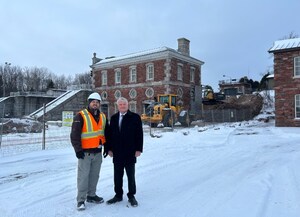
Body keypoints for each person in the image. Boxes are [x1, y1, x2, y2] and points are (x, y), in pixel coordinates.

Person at [70, 92, 109, 211]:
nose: (95, 104)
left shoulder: (103, 116)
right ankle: (81, 200)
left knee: (94, 176)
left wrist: (106, 147)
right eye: (93, 102)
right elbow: (74, 135)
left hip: (97, 152)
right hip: (85, 154)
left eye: (97, 102)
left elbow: (106, 133)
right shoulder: (80, 116)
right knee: (83, 177)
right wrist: (78, 150)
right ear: (89, 103)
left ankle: (91, 195)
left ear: (99, 104)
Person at [106, 97, 143, 207]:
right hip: (117, 152)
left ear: (127, 105)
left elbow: (139, 134)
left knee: (130, 175)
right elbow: (109, 135)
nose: (122, 106)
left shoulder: (135, 117)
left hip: (130, 151)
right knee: (117, 175)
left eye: (124, 104)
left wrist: (138, 149)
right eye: (120, 104)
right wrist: (109, 149)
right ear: (118, 106)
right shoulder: (113, 118)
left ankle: (131, 196)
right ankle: (118, 195)